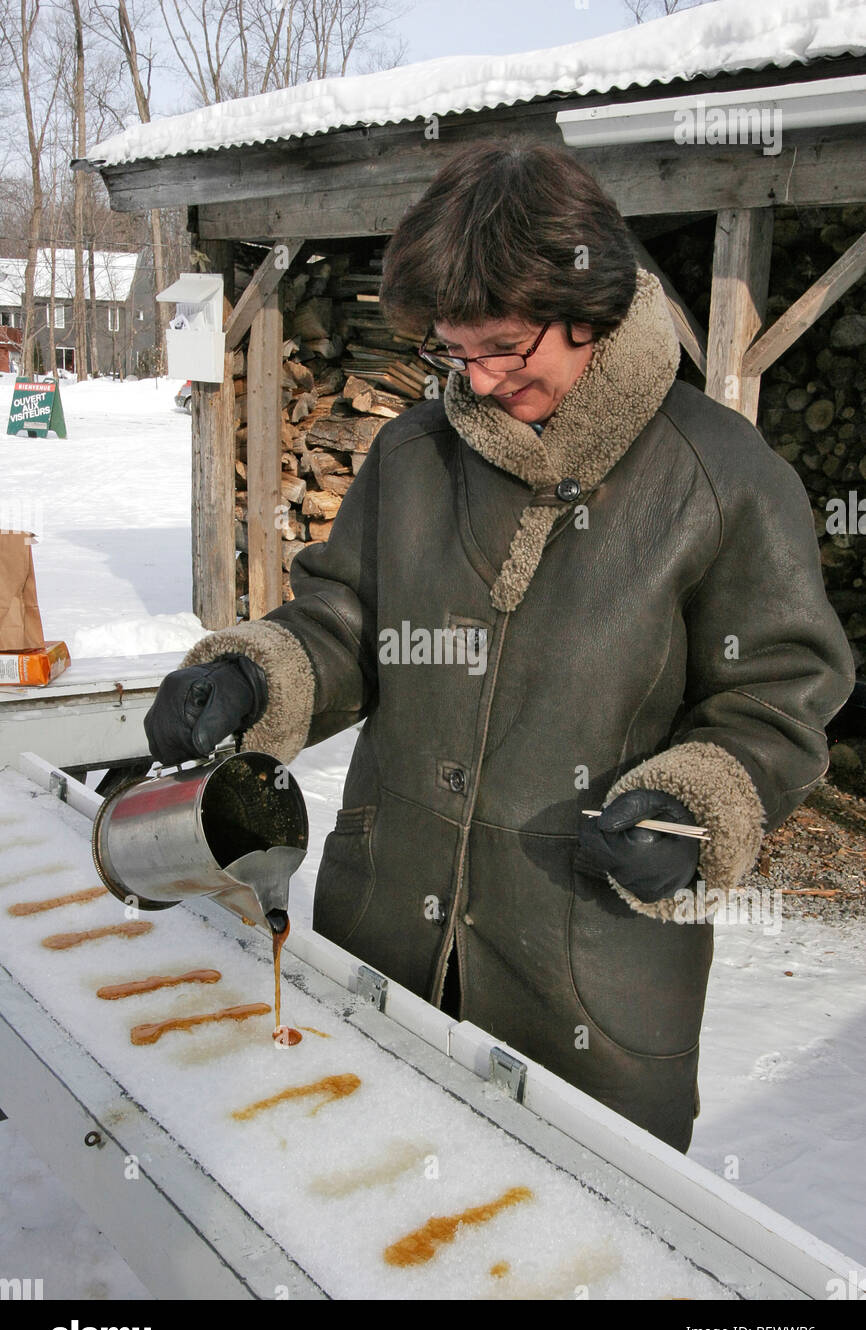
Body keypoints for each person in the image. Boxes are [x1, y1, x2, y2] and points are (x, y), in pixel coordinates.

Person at [144, 138, 855, 1153]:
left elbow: (778, 695)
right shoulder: (413, 453)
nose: (473, 379)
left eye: (503, 349)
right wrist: (247, 675)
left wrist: (695, 804)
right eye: (450, 351)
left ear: (589, 310)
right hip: (384, 941)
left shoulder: (720, 475)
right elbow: (342, 624)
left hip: (592, 986)